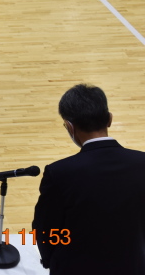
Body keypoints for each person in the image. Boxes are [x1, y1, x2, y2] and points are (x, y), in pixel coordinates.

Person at [32, 84, 145, 274]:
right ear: (109, 119)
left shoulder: (59, 172)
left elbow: (46, 229)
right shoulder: (142, 163)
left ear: (69, 126)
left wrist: (52, 261)